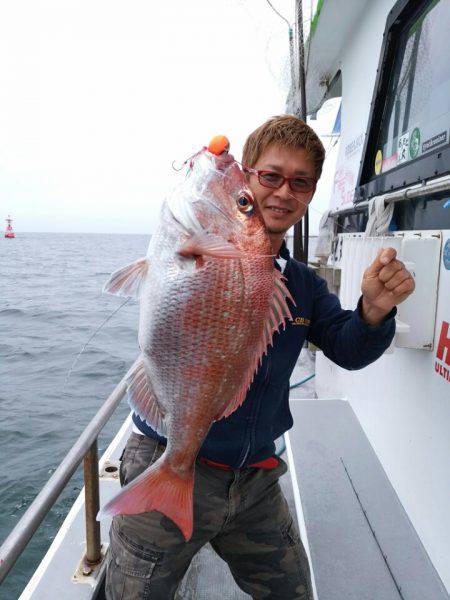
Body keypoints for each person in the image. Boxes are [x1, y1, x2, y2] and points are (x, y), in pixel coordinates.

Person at [105, 115, 415, 600]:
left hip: (255, 479)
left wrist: (374, 313)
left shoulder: (303, 286)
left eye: (301, 183)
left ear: (312, 193)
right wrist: (210, 177)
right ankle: (172, 474)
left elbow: (348, 349)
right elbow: (173, 263)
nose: (282, 193)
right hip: (167, 451)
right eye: (269, 177)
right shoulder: (195, 246)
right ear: (246, 174)